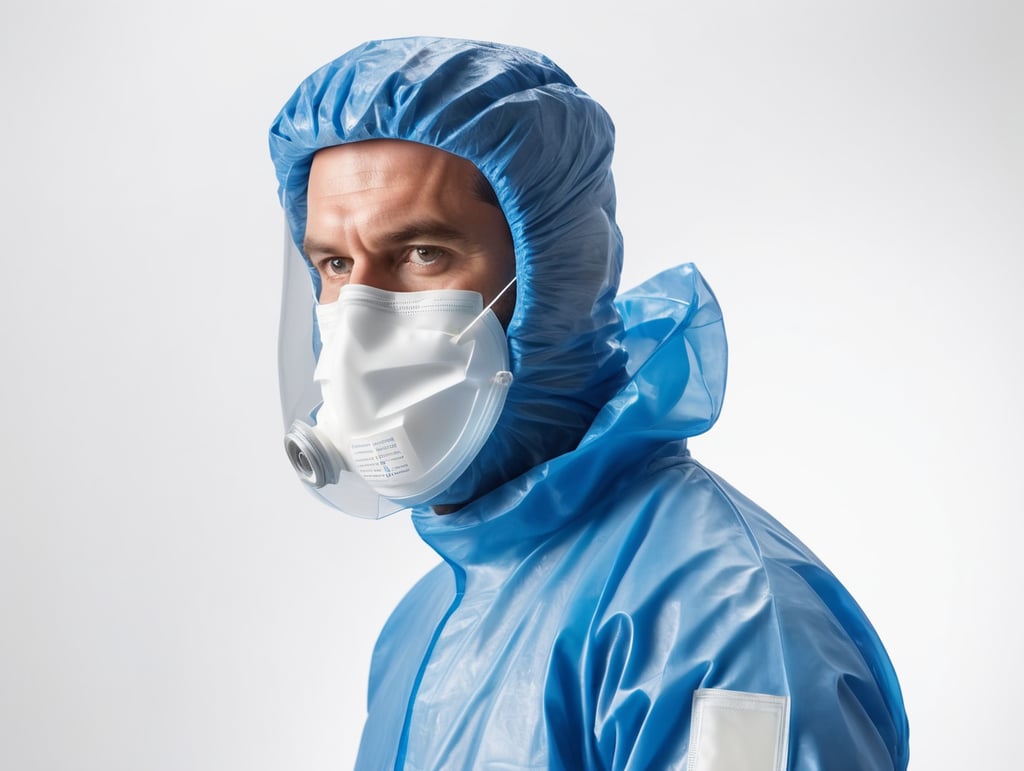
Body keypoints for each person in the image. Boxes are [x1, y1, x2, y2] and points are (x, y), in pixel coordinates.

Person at [269, 37, 910, 770]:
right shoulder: (421, 625)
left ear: (556, 278)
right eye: (336, 264)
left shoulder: (721, 628)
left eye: (423, 253)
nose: (359, 321)